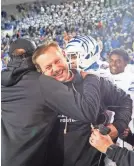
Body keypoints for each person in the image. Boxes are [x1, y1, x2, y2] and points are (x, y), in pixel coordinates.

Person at [1, 38, 102, 166]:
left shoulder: (2, 83)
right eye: (48, 66)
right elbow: (88, 111)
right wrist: (91, 78)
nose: (54, 69)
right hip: (34, 158)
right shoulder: (41, 82)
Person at [32, 41, 132, 166]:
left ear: (64, 55)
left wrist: (118, 126)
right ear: (41, 72)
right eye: (48, 67)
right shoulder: (38, 93)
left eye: (57, 61)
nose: (56, 68)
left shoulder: (94, 82)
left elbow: (125, 100)